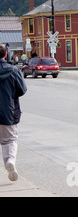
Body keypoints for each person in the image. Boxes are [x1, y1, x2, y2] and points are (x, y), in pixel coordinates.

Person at [0, 44, 27, 182]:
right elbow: (22, 90)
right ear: (6, 55)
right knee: (9, 139)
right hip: (7, 111)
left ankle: (9, 162)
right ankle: (10, 160)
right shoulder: (13, 71)